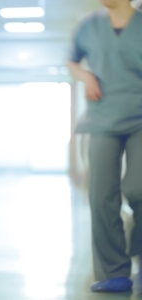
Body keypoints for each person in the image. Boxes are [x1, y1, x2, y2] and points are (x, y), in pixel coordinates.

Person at [67, 0, 142, 293]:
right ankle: (114, 272)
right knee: (100, 195)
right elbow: (72, 60)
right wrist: (84, 75)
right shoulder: (88, 25)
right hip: (102, 118)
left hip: (140, 117)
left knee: (138, 188)